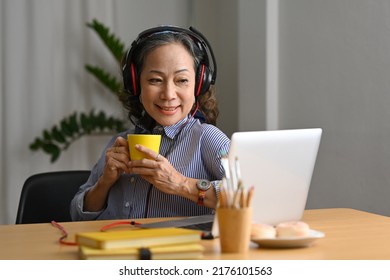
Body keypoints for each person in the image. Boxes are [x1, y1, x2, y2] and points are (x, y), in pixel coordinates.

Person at [70, 26, 230, 221]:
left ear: (198, 85)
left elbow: (252, 194)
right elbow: (77, 216)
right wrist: (104, 182)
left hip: (177, 250)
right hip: (116, 247)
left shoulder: (207, 138)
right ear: (136, 84)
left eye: (181, 80)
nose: (168, 94)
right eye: (155, 80)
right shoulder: (120, 142)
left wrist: (181, 184)